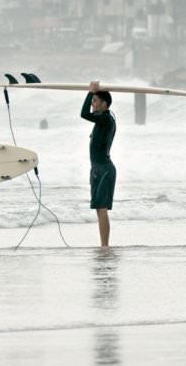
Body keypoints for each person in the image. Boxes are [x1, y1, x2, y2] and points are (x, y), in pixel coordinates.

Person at [80, 81, 116, 247]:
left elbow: (83, 114)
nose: (93, 104)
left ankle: (104, 246)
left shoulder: (106, 119)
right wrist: (93, 92)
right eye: (93, 101)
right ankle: (104, 245)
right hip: (96, 169)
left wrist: (90, 92)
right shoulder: (102, 119)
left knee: (101, 209)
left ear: (104, 104)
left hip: (105, 170)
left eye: (95, 101)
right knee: (98, 209)